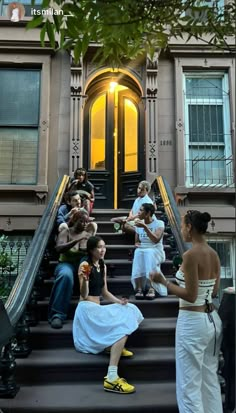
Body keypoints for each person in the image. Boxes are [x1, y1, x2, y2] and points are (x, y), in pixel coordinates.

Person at [150, 210, 223, 413]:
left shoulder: (191, 255)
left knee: (188, 384)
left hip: (193, 322)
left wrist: (163, 281)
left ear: (190, 227)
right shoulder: (214, 254)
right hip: (212, 322)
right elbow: (214, 290)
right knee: (210, 380)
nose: (181, 229)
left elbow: (190, 295)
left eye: (182, 225)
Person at [73, 236, 144, 394]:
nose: (103, 250)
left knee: (130, 309)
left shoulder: (102, 265)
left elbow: (104, 293)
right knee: (122, 327)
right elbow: (84, 294)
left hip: (97, 309)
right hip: (87, 310)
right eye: (99, 247)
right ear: (91, 249)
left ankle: (112, 346)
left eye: (104, 246)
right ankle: (111, 377)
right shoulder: (85, 265)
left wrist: (119, 302)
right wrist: (84, 280)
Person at [48, 210, 97, 329]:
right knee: (65, 275)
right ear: (75, 220)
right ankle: (57, 315)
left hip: (82, 264)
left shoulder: (87, 235)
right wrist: (76, 241)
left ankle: (92, 314)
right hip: (66, 264)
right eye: (82, 221)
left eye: (87, 222)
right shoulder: (66, 232)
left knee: (89, 271)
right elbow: (59, 248)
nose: (85, 224)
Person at [131, 203, 166, 299]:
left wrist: (145, 227)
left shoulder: (159, 223)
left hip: (155, 249)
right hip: (143, 248)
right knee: (137, 252)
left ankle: (152, 287)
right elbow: (137, 241)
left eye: (141, 210)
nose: (138, 212)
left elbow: (156, 239)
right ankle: (139, 288)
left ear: (148, 213)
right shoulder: (138, 224)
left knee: (148, 253)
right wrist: (137, 244)